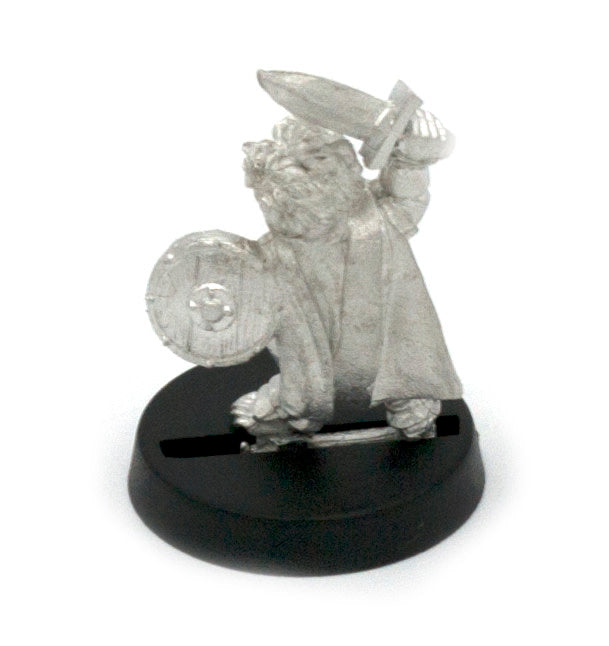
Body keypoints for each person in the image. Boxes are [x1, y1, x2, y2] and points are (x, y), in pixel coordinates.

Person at [232, 117, 461, 442]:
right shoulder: (274, 252)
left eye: (295, 193)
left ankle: (413, 418)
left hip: (389, 359)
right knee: (295, 399)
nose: (270, 202)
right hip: (313, 364)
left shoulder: (375, 223)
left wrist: (410, 160)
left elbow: (405, 199)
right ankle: (293, 413)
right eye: (266, 195)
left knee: (411, 403)